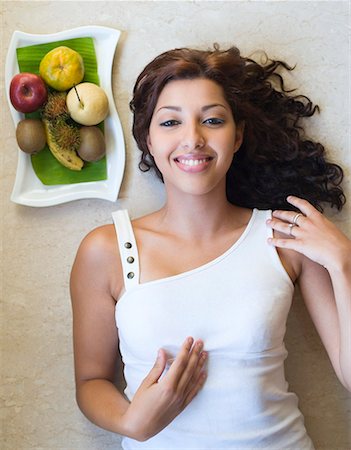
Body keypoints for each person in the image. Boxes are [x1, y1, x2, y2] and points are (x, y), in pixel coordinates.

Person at [70, 45, 351, 449]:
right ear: (147, 139)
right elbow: (90, 381)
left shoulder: (285, 237)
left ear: (237, 136)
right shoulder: (107, 249)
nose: (193, 139)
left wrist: (342, 262)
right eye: (170, 122)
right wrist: (131, 422)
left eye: (212, 120)